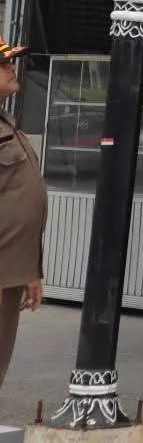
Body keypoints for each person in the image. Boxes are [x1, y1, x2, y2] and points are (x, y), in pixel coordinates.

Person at [0, 40, 43, 392]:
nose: (12, 68)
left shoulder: (6, 123)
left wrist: (30, 270)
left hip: (11, 270)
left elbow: (20, 204)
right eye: (3, 64)